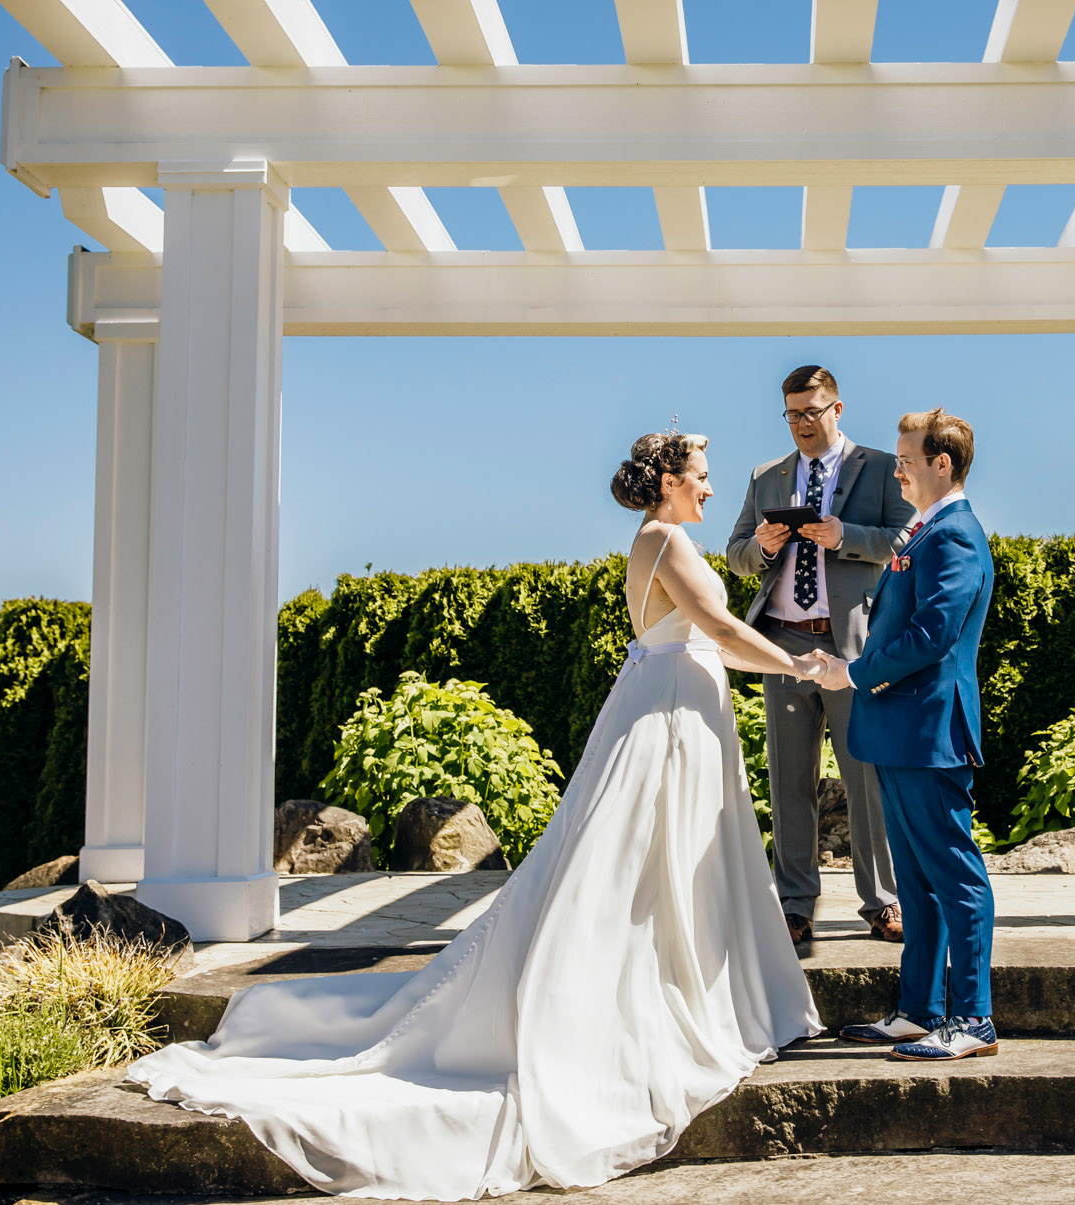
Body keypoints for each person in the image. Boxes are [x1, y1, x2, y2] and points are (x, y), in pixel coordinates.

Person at [127, 431, 823, 1198]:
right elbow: (721, 632)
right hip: (664, 721)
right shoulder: (665, 540)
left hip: (674, 710)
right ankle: (640, 1010)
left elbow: (713, 634)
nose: (711, 487)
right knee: (635, 868)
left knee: (664, 865)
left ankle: (694, 989)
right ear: (667, 480)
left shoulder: (658, 537)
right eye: (700, 474)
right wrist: (802, 662)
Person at [811, 409, 999, 1061]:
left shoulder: (956, 536)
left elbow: (931, 636)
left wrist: (853, 673)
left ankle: (973, 1018)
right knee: (915, 879)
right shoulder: (926, 531)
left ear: (941, 464)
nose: (897, 470)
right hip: (899, 731)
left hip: (928, 731)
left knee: (955, 874)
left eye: (906, 460)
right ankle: (919, 1010)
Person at [726, 366, 915, 951]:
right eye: (793, 414)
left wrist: (846, 536)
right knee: (789, 782)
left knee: (867, 778)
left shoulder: (882, 467)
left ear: (838, 408)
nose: (803, 424)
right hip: (781, 643)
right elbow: (734, 555)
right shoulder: (766, 476)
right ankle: (794, 907)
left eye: (813, 411)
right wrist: (761, 547)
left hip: (850, 645)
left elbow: (909, 537)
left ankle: (882, 903)